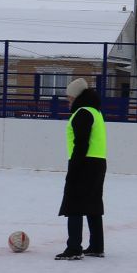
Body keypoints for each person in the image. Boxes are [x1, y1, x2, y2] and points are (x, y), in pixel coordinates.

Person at [56, 76, 106, 260]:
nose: (68, 102)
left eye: (69, 98)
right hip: (98, 162)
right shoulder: (95, 112)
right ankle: (96, 246)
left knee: (74, 203)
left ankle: (74, 248)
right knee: (93, 204)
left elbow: (81, 143)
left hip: (84, 162)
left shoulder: (82, 113)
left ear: (77, 97)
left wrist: (74, 168)